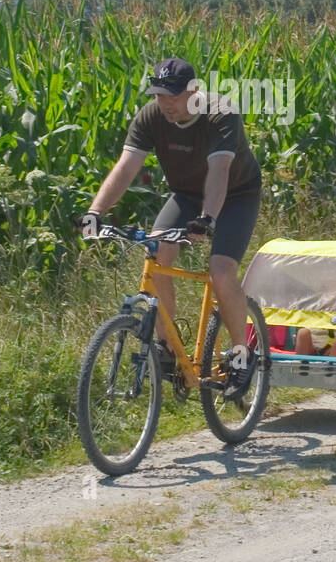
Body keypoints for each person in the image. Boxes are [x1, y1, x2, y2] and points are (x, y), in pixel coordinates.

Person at [81, 56, 262, 401]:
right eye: (159, 95)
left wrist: (208, 218)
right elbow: (126, 167)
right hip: (187, 195)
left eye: (172, 97)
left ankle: (241, 355)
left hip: (236, 194)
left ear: (193, 92)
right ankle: (166, 347)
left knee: (221, 270)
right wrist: (95, 212)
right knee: (156, 248)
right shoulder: (152, 116)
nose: (165, 104)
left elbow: (220, 170)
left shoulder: (220, 113)